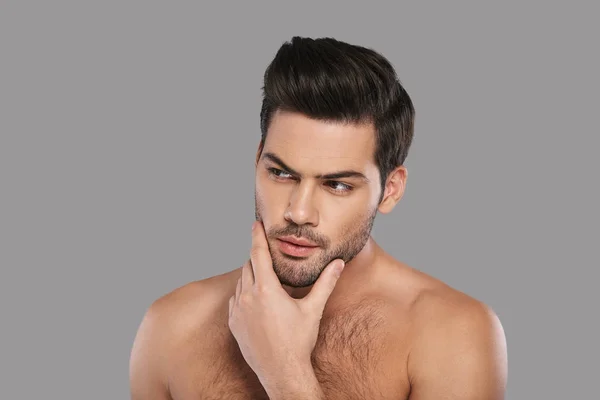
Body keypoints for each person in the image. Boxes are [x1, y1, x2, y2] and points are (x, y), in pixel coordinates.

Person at [129, 36, 508, 400]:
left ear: (390, 190)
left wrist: (285, 374)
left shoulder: (452, 333)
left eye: (337, 185)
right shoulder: (172, 325)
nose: (298, 212)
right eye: (281, 173)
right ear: (257, 158)